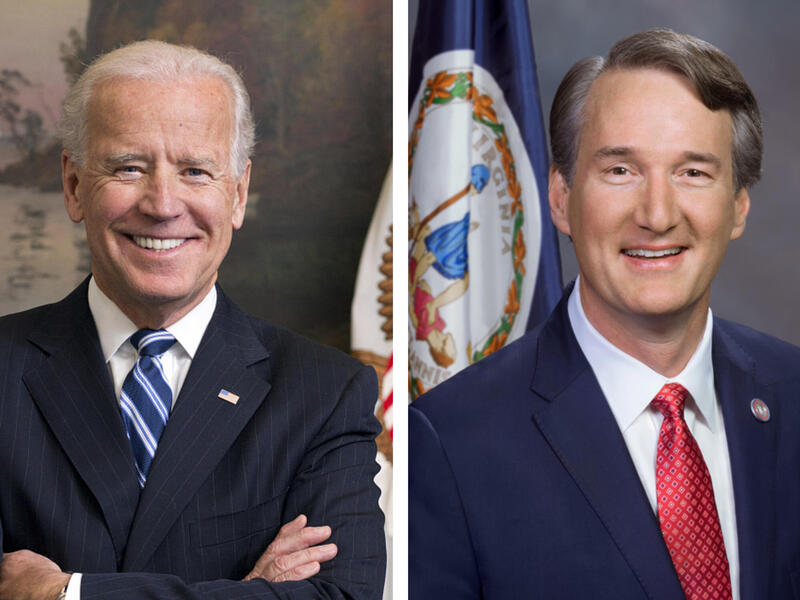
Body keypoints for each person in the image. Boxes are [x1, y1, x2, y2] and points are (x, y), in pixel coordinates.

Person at [409, 28, 800, 600]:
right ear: (562, 198)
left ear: (738, 205)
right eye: (621, 170)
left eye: (693, 172)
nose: (658, 215)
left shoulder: (793, 392)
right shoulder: (449, 444)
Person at [0, 40, 385, 600]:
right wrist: (244, 591)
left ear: (238, 192)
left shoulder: (324, 392)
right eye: (128, 167)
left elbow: (341, 596)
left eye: (196, 171)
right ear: (74, 185)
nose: (162, 203)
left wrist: (67, 594)